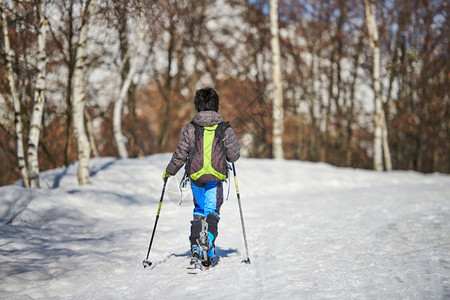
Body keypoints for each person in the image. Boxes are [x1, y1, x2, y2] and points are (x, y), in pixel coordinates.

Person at [163, 87, 240, 266]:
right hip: (215, 177)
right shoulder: (224, 129)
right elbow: (233, 156)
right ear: (218, 106)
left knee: (199, 211)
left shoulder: (190, 128)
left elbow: (181, 154)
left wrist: (170, 171)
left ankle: (196, 246)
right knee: (212, 211)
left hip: (196, 176)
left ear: (197, 106)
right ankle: (209, 239)